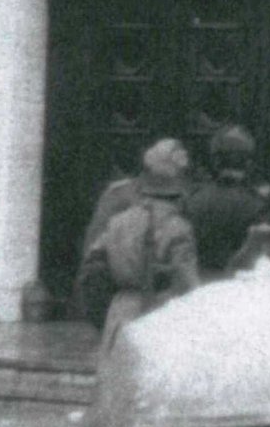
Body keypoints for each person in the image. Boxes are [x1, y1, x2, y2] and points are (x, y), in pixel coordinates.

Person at [74, 137, 200, 333]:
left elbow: (94, 258)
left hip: (120, 311)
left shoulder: (122, 219)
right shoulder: (118, 195)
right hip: (157, 309)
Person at [186, 125, 270, 278]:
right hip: (236, 285)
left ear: (215, 161)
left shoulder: (194, 199)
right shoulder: (256, 204)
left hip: (199, 284)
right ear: (248, 162)